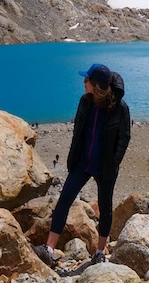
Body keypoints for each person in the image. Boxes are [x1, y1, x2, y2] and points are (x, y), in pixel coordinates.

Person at [34, 64, 131, 267]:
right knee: (64, 201)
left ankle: (99, 253)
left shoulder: (120, 108)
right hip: (82, 163)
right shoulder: (85, 101)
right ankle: (48, 249)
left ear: (95, 85)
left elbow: (124, 137)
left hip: (105, 168)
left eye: (86, 80)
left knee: (105, 209)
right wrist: (72, 157)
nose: (83, 82)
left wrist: (114, 163)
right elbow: (78, 130)